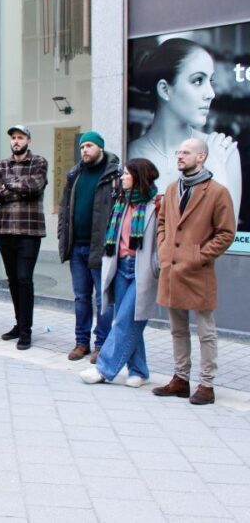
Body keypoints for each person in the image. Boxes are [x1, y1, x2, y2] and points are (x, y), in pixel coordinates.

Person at [152, 138, 235, 405]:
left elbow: (226, 233)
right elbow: (163, 221)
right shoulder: (172, 188)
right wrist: (164, 249)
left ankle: (207, 384)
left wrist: (199, 255)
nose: (180, 156)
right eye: (178, 152)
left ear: (201, 157)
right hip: (172, 270)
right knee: (177, 329)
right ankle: (180, 379)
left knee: (206, 332)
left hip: (198, 271)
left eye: (186, 152)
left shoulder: (217, 192)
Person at [128, 38, 241, 220]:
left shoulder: (222, 152)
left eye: (210, 81)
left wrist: (216, 171)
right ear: (165, 90)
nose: (211, 93)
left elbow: (225, 238)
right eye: (198, 80)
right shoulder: (129, 154)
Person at [80, 158, 160, 387]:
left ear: (138, 176)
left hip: (142, 270)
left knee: (125, 321)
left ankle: (104, 368)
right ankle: (139, 370)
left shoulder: (157, 204)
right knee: (127, 320)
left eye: (126, 174)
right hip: (121, 267)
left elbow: (162, 240)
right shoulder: (122, 202)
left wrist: (157, 264)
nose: (122, 178)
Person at [58, 131, 119, 363]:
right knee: (81, 297)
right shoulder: (75, 174)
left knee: (103, 299)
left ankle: (101, 344)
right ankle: (81, 342)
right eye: (82, 147)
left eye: (90, 146)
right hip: (77, 248)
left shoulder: (113, 174)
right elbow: (65, 209)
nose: (84, 150)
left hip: (101, 249)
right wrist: (63, 238)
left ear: (100, 148)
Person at [0, 125, 47, 349]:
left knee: (24, 279)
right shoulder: (2, 164)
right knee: (13, 280)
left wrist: (8, 185)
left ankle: (26, 331)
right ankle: (18, 323)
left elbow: (35, 186)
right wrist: (16, 189)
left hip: (29, 231)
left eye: (20, 137)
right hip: (5, 229)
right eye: (13, 138)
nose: (16, 141)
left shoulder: (39, 162)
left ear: (28, 141)